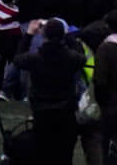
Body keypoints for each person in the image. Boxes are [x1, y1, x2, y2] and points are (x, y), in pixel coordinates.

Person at [16, 19, 84, 165]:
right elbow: (81, 55)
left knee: (44, 156)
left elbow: (18, 59)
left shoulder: (35, 58)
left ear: (44, 35)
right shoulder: (71, 58)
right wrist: (67, 35)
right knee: (65, 156)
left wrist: (28, 35)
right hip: (66, 112)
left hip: (42, 113)